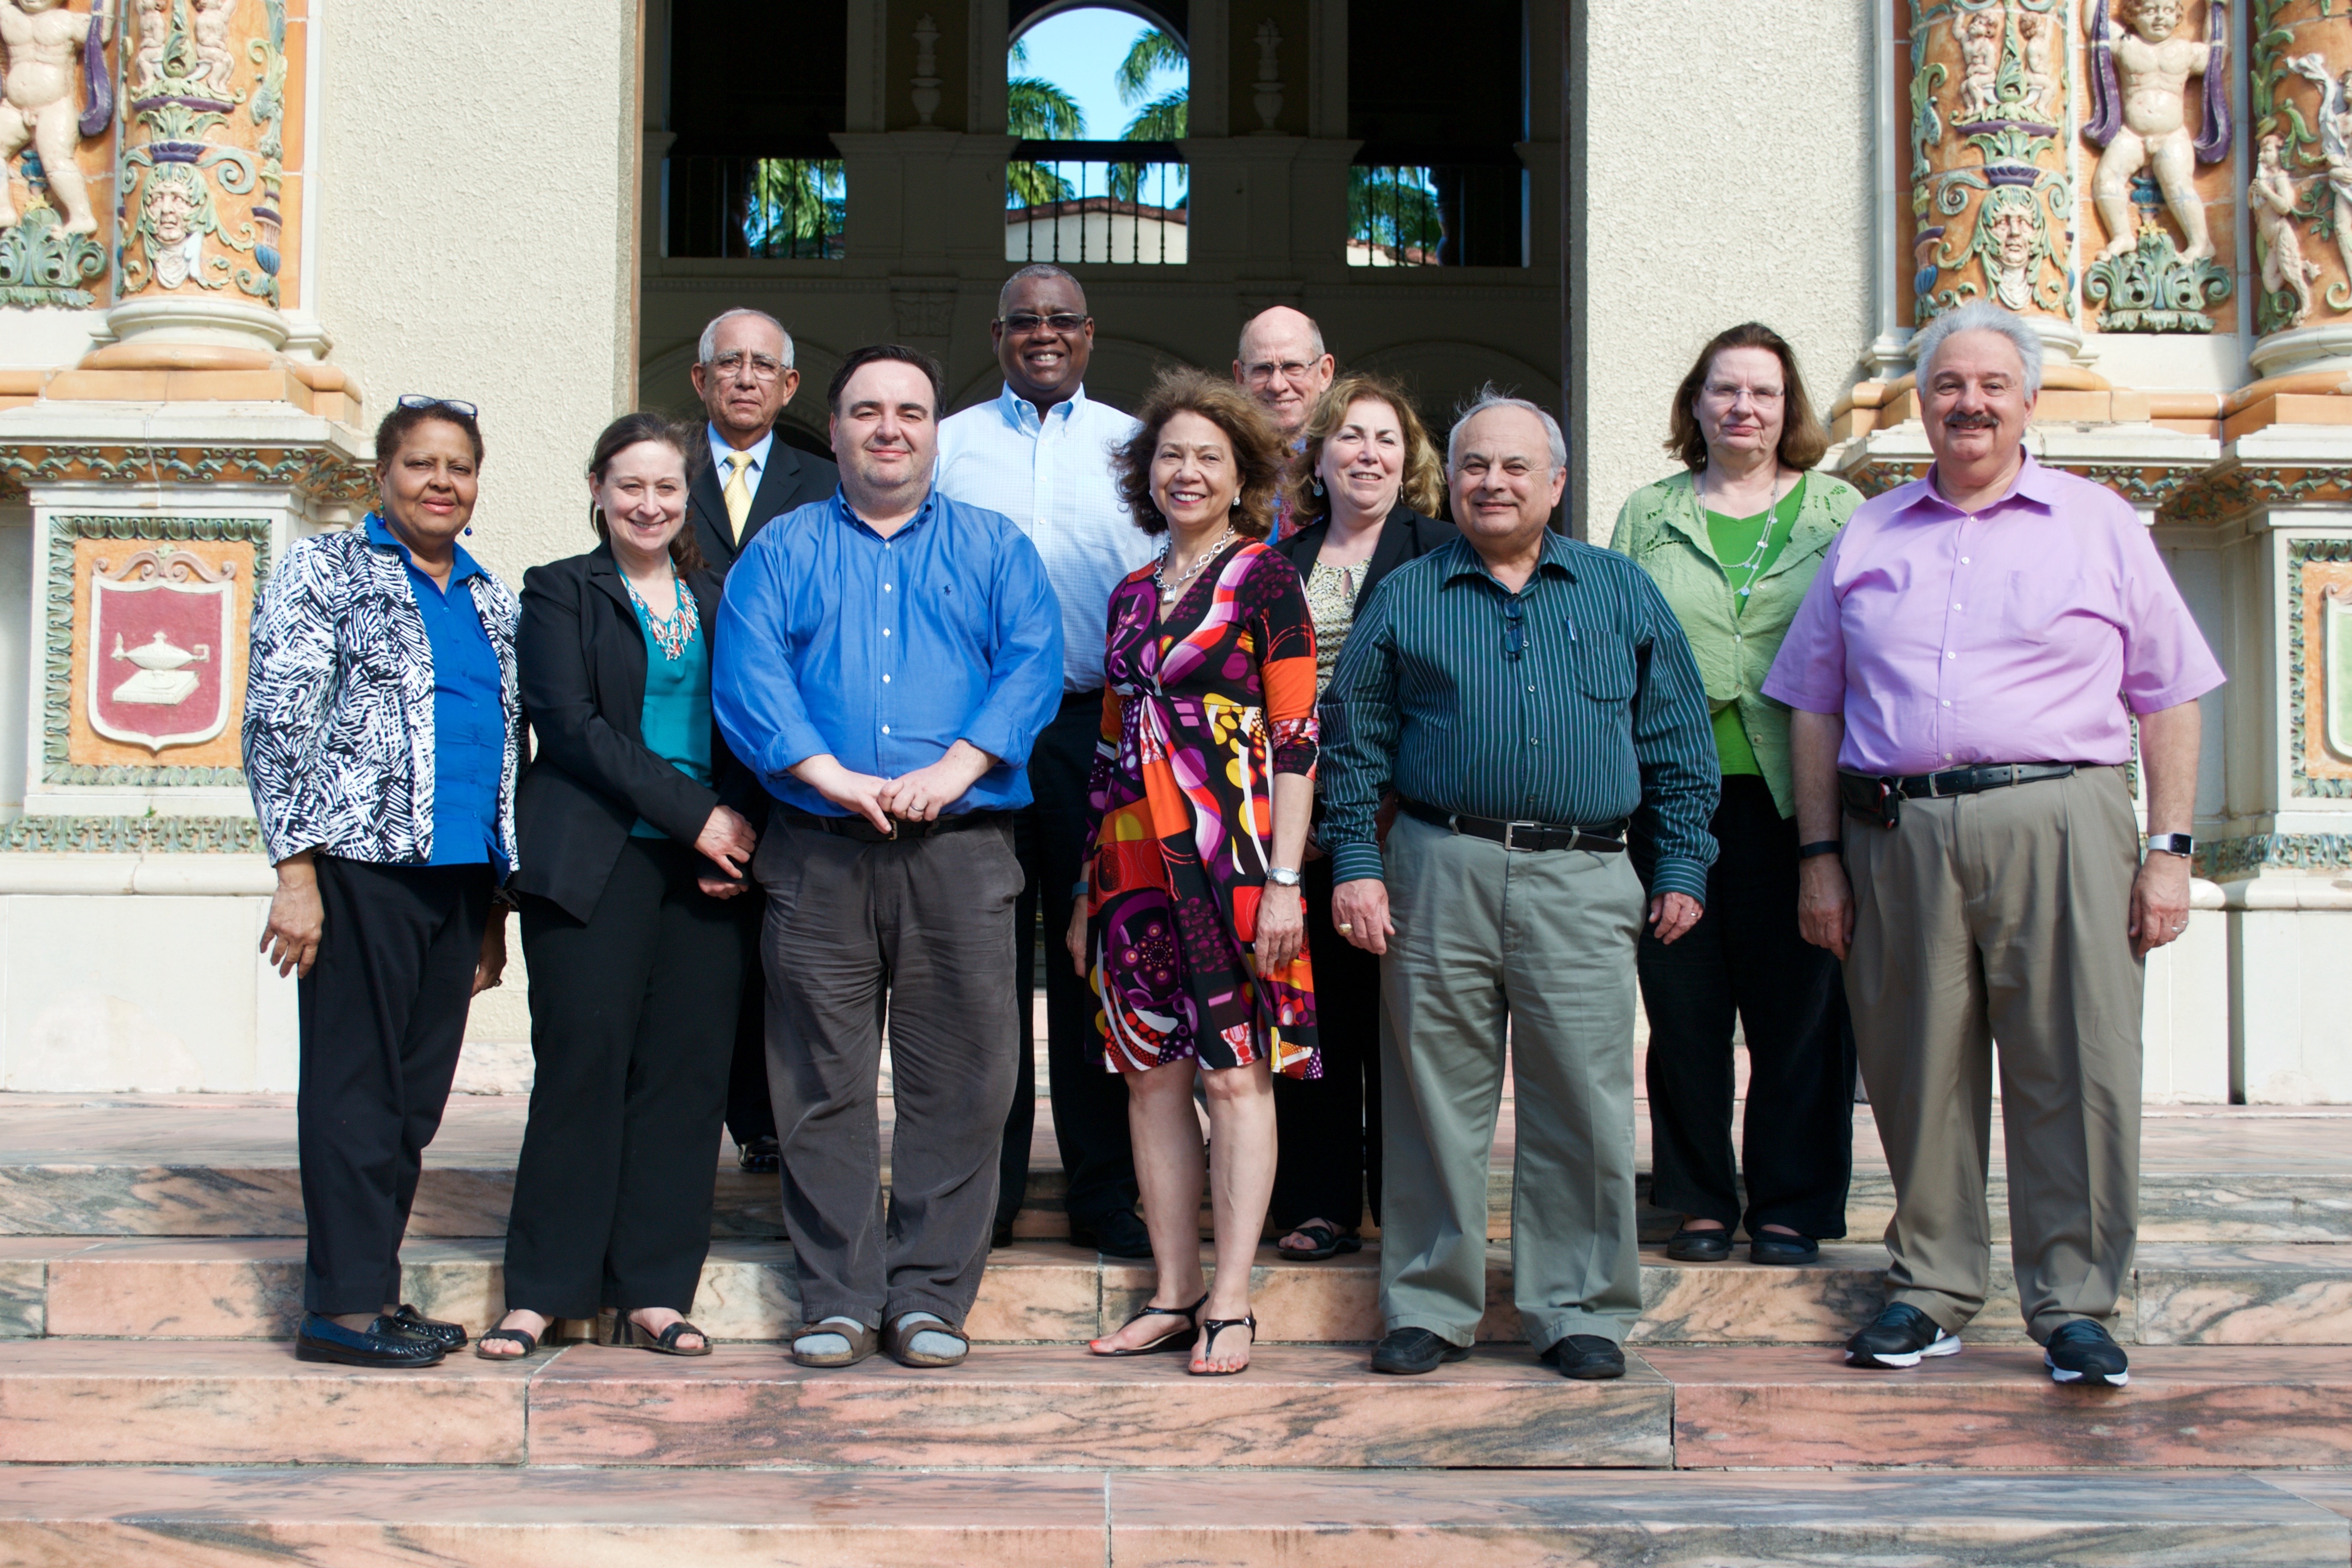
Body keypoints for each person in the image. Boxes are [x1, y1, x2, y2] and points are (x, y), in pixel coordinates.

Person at [1765, 301, 2223, 1388]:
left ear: (2028, 401)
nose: (1968, 404)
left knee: (2077, 1064)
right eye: (1947, 387)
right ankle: (1930, 1289)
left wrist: (2170, 849)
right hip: (1898, 832)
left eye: (1990, 387)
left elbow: (2171, 693)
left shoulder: (2097, 522)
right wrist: (1818, 857)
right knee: (1917, 1069)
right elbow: (1815, 707)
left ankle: (2074, 1302)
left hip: (2063, 820)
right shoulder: (1868, 533)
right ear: (1921, 404)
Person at [1321, 390, 1718, 1382]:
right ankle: (1427, 1303)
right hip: (1436, 867)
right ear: (1449, 481)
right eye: (1472, 467)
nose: (1491, 483)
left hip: (1586, 875)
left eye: (1512, 468)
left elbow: (1677, 738)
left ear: (1557, 483)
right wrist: (1358, 866)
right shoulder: (1407, 594)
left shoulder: (1619, 589)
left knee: (1582, 1099)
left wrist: (1680, 863)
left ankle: (1577, 1304)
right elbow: (1352, 739)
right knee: (1430, 1098)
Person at [714, 344, 1062, 1371]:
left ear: (935, 428)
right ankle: (836, 1296)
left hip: (961, 847)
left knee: (961, 1083)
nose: (889, 429)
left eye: (910, 410)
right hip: (819, 849)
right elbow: (749, 674)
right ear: (837, 428)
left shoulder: (996, 549)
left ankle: (928, 1298)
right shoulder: (779, 550)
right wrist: (828, 775)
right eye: (867, 411)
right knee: (816, 1081)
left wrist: (956, 769)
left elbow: (1032, 664)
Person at [477, 413, 766, 1363]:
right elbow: (570, 726)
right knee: (581, 1069)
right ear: (598, 490)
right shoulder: (559, 590)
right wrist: (697, 814)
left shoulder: (720, 596)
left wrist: (728, 831)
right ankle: (543, 1290)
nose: (649, 503)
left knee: (683, 1083)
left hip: (702, 870)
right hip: (594, 860)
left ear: (688, 498)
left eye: (667, 488)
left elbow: (747, 728)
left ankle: (654, 1289)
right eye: (630, 485)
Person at [244, 396, 518, 1369]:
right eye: (421, 465)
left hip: (457, 880)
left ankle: (376, 1287)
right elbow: (279, 724)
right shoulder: (325, 571)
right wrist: (295, 875)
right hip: (358, 869)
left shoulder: (489, 598)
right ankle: (342, 1308)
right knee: (355, 1094)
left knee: (412, 1101)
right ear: (381, 476)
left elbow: (500, 754)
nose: (441, 482)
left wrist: (494, 908)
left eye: (459, 467)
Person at [1069, 367, 1318, 1377]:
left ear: (1240, 474)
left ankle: (1231, 1300)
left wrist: (1289, 881)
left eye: (1208, 457)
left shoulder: (1265, 580)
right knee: (1152, 1081)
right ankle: (1173, 1294)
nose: (1187, 471)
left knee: (1234, 1074)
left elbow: (1298, 740)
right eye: (1170, 454)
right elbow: (1109, 746)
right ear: (1147, 473)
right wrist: (1090, 887)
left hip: (1234, 865)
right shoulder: (1131, 595)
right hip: (1130, 868)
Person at [1607, 323, 1863, 1268]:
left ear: (1788, 408)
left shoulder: (1838, 511)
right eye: (1723, 391)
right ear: (1696, 403)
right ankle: (1700, 1197)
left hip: (1802, 804)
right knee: (1683, 1006)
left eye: (1761, 392)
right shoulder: (1648, 513)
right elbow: (1615, 645)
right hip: (1673, 803)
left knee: (1800, 1007)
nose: (1741, 408)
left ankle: (1792, 1203)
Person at [937, 264, 1156, 1259]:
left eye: (1060, 321)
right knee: (979, 970)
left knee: (1090, 962)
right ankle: (982, 1192)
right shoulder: (948, 446)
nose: (1042, 334)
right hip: (974, 738)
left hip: (1091, 729)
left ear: (1089, 333)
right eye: (1023, 320)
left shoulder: (1131, 445)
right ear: (998, 334)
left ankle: (1104, 1192)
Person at [1267, 373, 1452, 1262]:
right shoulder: (1279, 560)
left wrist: (1378, 803)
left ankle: (1408, 1205)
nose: (1366, 453)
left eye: (1384, 438)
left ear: (1408, 458)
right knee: (1317, 1014)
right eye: (1348, 436)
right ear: (1319, 455)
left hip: (1403, 818)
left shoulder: (1442, 551)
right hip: (1294, 823)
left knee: (1407, 1022)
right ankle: (1319, 1199)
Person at [684, 306, 840, 1174]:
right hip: (687, 743)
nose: (744, 378)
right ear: (701, 380)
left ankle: (768, 1117)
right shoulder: (660, 477)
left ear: (787, 387)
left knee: (781, 947)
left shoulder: (821, 481)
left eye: (762, 367)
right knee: (703, 944)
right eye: (727, 363)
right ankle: (695, 1109)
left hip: (791, 746)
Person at [1234, 307, 1336, 540]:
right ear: (1240, 377)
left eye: (1293, 367)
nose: (1277, 385)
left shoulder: (1350, 460)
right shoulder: (1220, 461)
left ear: (1324, 373)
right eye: (1262, 369)